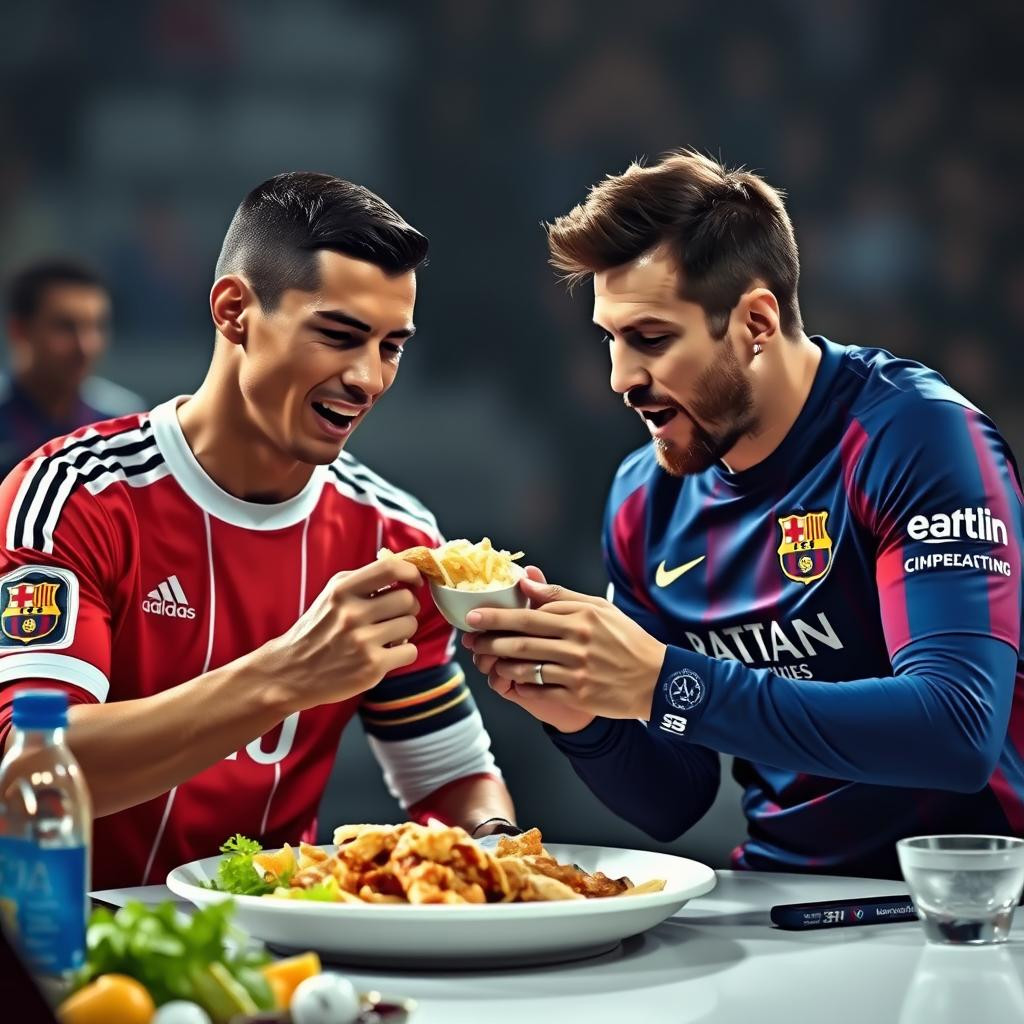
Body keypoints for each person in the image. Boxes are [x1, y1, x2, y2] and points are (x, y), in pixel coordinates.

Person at [465, 150, 1022, 878]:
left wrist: (667, 681)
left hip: (961, 901)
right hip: (775, 891)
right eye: (611, 338)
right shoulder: (642, 499)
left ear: (756, 321)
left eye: (651, 339)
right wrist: (583, 714)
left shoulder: (917, 438)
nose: (621, 377)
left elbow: (957, 730)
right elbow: (675, 799)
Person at [0, 172, 515, 889]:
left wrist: (497, 847)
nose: (368, 378)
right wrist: (286, 675)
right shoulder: (71, 497)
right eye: (339, 335)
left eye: (391, 347)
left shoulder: (398, 536)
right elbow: (30, 778)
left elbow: (451, 777)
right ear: (234, 311)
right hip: (70, 940)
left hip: (270, 949)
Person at [0, 259, 145, 480]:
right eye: (65, 327)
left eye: (97, 326)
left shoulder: (124, 422)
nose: (85, 346)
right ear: (19, 330)